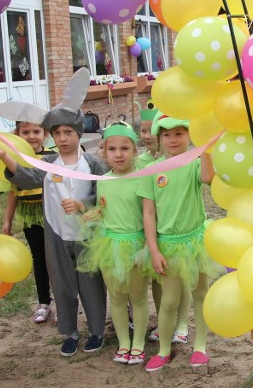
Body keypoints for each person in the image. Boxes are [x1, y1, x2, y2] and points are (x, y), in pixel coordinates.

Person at [0, 68, 109, 357]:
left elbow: (107, 197)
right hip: (56, 235)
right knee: (62, 286)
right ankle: (70, 333)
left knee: (91, 284)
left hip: (87, 236)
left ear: (78, 133)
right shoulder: (48, 164)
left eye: (68, 132)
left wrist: (83, 206)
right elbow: (25, 176)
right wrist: (5, 157)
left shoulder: (93, 165)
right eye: (57, 133)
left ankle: (97, 331)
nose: (62, 139)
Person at [140, 115, 216, 372]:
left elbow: (207, 178)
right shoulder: (151, 171)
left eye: (179, 133)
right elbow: (148, 213)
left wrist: (205, 149)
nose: (173, 140)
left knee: (199, 293)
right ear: (159, 139)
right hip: (167, 244)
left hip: (195, 240)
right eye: (167, 135)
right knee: (169, 301)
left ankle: (200, 347)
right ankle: (163, 350)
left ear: (188, 136)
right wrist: (153, 249)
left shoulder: (194, 162)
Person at [77, 122, 153, 365]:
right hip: (110, 246)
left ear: (135, 151)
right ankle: (123, 343)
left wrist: (147, 248)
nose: (118, 154)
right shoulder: (104, 181)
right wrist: (94, 213)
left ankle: (139, 343)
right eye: (112, 149)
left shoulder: (142, 179)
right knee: (117, 298)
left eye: (124, 149)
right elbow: (104, 207)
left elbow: (150, 214)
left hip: (136, 246)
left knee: (138, 297)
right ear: (104, 152)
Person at [135, 108, 193, 346]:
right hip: (151, 232)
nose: (148, 136)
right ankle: (164, 322)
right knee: (161, 281)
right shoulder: (142, 162)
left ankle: (181, 324)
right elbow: (147, 208)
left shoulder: (187, 161)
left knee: (183, 277)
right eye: (144, 131)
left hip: (178, 232)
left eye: (178, 133)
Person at [3, 121, 54, 323]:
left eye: (36, 131)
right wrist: (7, 220)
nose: (31, 136)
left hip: (51, 213)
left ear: (45, 134)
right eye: (25, 132)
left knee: (57, 260)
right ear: (17, 134)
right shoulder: (15, 159)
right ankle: (44, 302)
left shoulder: (52, 156)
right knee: (39, 259)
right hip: (30, 215)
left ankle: (64, 302)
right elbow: (13, 193)